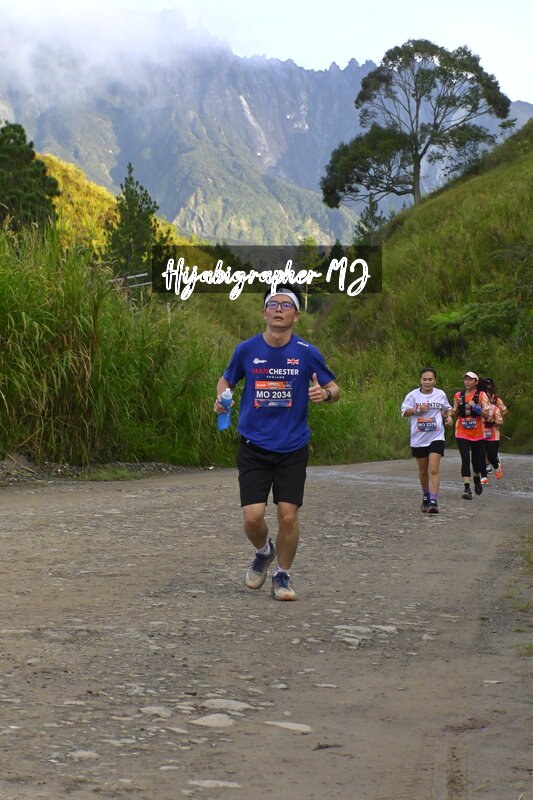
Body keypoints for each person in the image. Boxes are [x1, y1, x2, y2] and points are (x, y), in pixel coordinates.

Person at [214, 284, 340, 601]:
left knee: (288, 515)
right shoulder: (246, 349)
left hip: (292, 448)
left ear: (296, 316)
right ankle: (263, 551)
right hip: (253, 446)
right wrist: (222, 398)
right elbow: (227, 379)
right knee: (252, 517)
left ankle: (282, 576)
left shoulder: (307, 353)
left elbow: (335, 389)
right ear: (264, 313)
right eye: (273, 304)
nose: (279, 309)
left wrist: (324, 394)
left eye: (286, 305)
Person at [401, 367, 452, 514]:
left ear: (435, 381)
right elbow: (404, 412)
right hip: (419, 438)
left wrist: (449, 417)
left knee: (433, 469)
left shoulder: (440, 394)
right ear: (420, 381)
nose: (427, 382)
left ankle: (433, 501)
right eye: (425, 379)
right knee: (423, 471)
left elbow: (447, 409)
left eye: (430, 379)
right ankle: (426, 496)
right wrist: (417, 410)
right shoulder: (413, 395)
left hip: (436, 436)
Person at [446, 371, 490, 500]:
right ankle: (467, 488)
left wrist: (476, 408)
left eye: (470, 379)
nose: (467, 382)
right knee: (465, 459)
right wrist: (449, 417)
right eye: (465, 379)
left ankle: (476, 478)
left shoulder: (481, 395)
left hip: (477, 432)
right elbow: (455, 411)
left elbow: (487, 415)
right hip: (462, 432)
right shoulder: (458, 395)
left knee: (476, 460)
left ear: (476, 382)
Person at [479, 377, 508, 479]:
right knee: (481, 452)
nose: (488, 386)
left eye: (489, 384)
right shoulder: (479, 399)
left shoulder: (496, 400)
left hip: (493, 428)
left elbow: (504, 410)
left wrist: (497, 418)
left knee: (491, 452)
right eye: (486, 384)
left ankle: (494, 460)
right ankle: (484, 471)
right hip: (481, 429)